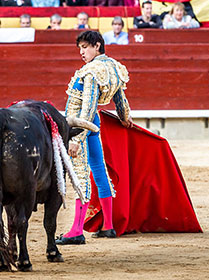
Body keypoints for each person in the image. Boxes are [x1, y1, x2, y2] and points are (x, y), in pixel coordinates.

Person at [56, 30, 133, 245]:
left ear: (97, 45)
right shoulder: (115, 68)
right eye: (80, 48)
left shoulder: (91, 72)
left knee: (81, 173)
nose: (81, 52)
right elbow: (120, 99)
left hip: (80, 126)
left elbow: (87, 110)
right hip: (94, 125)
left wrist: (75, 139)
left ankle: (76, 231)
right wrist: (126, 118)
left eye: (85, 47)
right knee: (99, 170)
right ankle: (108, 226)